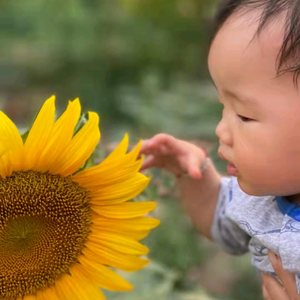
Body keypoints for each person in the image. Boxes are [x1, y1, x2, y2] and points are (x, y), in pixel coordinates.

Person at [137, 0, 300, 298]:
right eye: (223, 107)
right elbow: (218, 217)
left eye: (244, 115)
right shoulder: (263, 200)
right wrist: (191, 173)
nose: (220, 130)